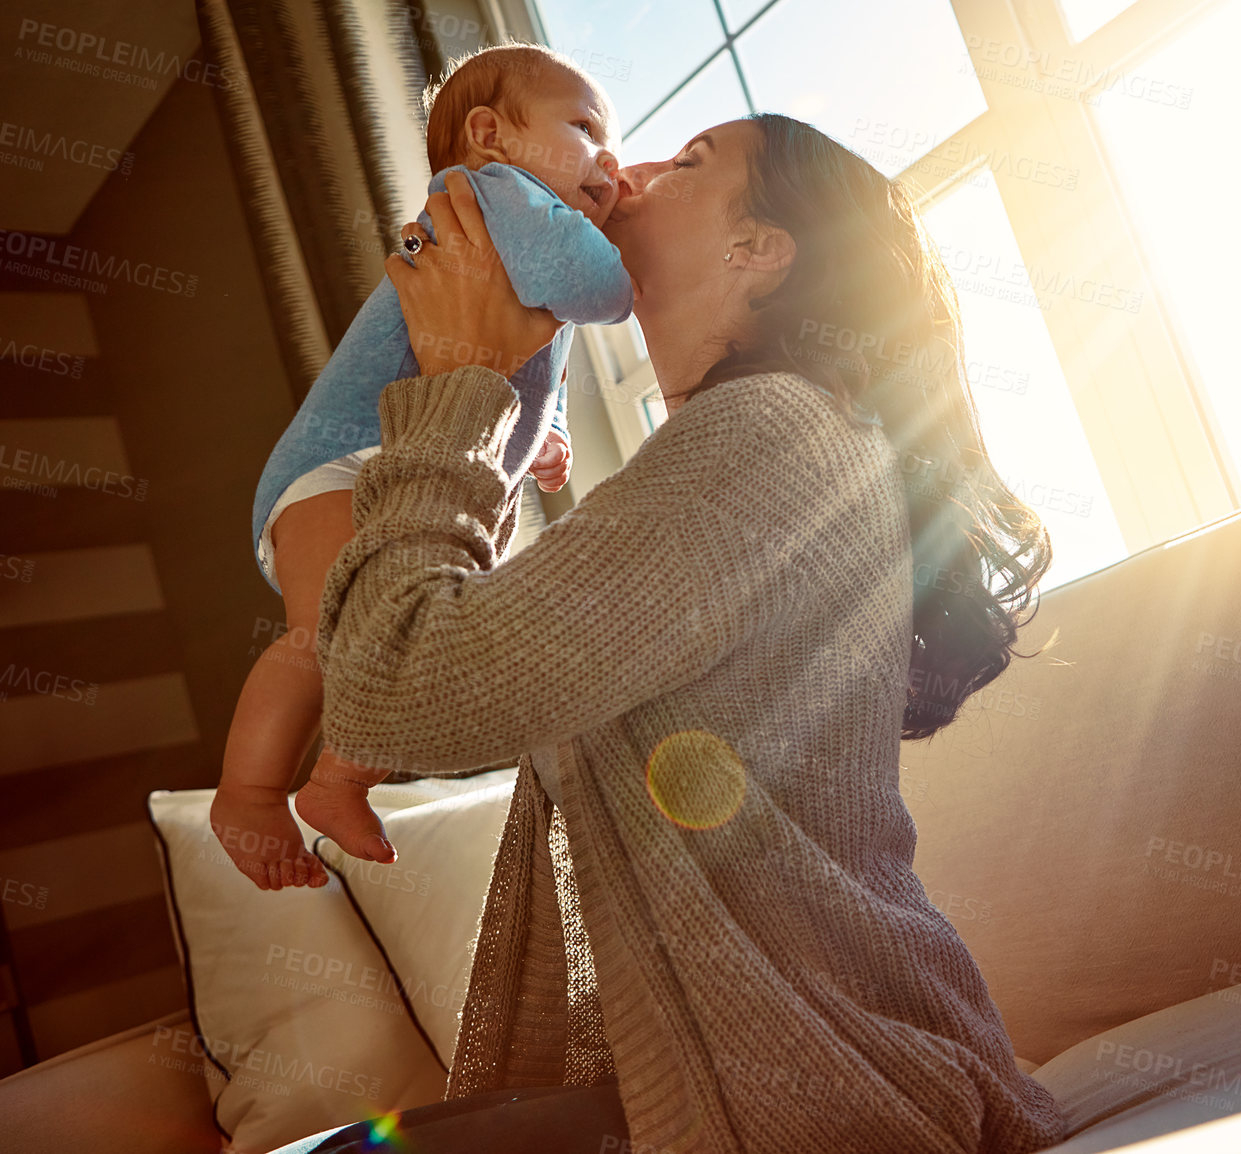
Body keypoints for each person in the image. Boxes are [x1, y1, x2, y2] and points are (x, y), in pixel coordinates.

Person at [298, 114, 1069, 1153]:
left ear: (759, 252)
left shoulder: (767, 434)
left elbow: (400, 688)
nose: (627, 168)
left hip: (830, 1090)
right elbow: (437, 663)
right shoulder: (776, 438)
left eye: (689, 163)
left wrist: (454, 384)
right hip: (807, 1072)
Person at [214, 42, 633, 891]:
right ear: (490, 134)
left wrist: (541, 434)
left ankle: (338, 780)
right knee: (327, 641)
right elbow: (591, 286)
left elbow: (525, 361)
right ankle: (248, 794)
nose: (610, 159)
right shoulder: (487, 193)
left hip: (399, 473)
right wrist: (638, 249)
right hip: (341, 467)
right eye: (585, 128)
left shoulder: (519, 230)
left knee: (387, 647)